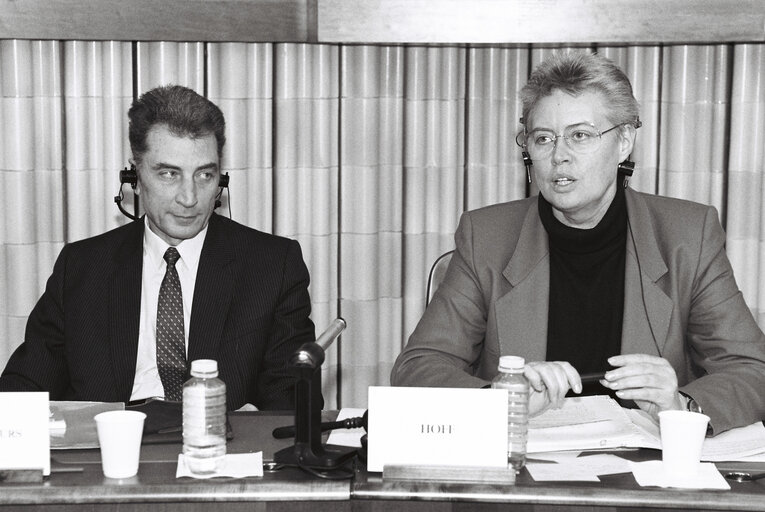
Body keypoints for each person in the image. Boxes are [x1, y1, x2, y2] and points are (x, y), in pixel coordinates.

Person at [390, 52, 765, 435]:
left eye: (580, 135)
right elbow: (419, 366)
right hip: (525, 466)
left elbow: (752, 370)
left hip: (644, 471)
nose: (559, 156)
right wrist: (501, 400)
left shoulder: (687, 235)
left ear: (624, 142)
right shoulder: (486, 236)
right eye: (543, 138)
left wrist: (681, 406)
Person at [0, 85, 315, 410]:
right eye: (168, 174)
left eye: (205, 175)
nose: (189, 197)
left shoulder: (272, 266)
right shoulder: (81, 267)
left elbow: (294, 402)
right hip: (109, 447)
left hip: (217, 448)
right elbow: (24, 387)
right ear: (134, 174)